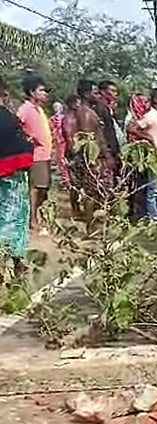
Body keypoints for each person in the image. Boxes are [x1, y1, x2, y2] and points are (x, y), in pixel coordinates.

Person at [0, 77, 34, 277]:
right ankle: (17, 265)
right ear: (3, 94)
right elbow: (20, 147)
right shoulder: (8, 118)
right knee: (15, 219)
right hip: (11, 177)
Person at [71, 78, 114, 226]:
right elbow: (91, 140)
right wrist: (100, 158)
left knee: (99, 192)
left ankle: (95, 223)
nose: (98, 95)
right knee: (93, 193)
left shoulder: (88, 111)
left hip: (97, 158)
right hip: (94, 159)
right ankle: (91, 224)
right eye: (95, 92)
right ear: (85, 94)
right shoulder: (85, 114)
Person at [128, 88, 157, 221]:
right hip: (156, 159)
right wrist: (147, 138)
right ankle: (154, 219)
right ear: (156, 101)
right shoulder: (150, 117)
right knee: (154, 191)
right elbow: (132, 128)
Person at [16, 74, 52, 233]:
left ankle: (34, 216)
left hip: (45, 154)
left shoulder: (39, 109)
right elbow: (16, 125)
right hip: (36, 155)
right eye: (42, 90)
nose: (45, 94)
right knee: (36, 188)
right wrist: (27, 139)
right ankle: (32, 219)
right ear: (32, 92)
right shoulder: (25, 109)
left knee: (43, 188)